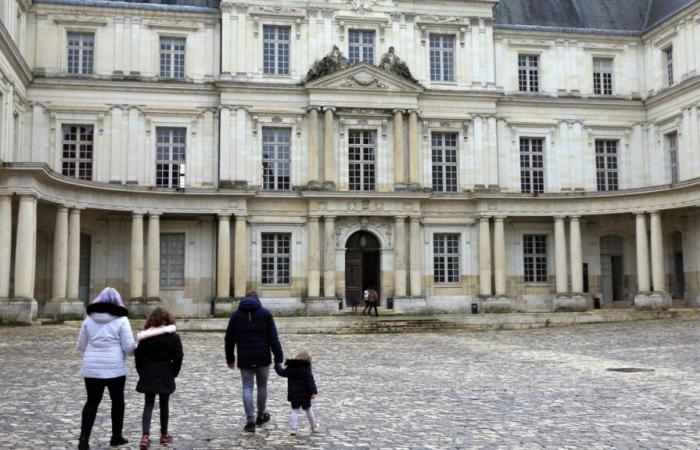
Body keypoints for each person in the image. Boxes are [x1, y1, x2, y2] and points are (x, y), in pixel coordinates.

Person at [77, 287, 136, 450]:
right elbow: (129, 347)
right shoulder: (122, 320)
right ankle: (116, 436)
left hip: (92, 368)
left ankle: (83, 439)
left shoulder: (89, 319)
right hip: (115, 367)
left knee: (91, 402)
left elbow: (81, 345)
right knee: (117, 402)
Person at [225, 291, 284, 432]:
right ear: (257, 300)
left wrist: (230, 359)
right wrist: (278, 358)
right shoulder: (265, 313)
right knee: (262, 386)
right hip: (262, 357)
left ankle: (250, 420)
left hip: (245, 357)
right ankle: (260, 415)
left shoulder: (236, 316)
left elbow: (229, 339)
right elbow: (274, 338)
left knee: (247, 387)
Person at [135, 307, 183, 450]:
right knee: (164, 404)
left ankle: (145, 436)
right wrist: (174, 372)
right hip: (166, 371)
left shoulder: (145, 337)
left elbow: (139, 357)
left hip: (149, 371)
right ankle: (164, 434)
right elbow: (179, 357)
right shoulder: (173, 337)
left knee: (148, 404)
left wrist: (142, 372)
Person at [275, 351, 319, 436]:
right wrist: (313, 392)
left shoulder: (291, 367)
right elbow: (310, 382)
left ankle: (293, 429)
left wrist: (277, 365)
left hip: (294, 394)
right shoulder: (306, 369)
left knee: (294, 410)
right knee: (308, 409)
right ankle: (314, 426)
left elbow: (281, 372)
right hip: (305, 395)